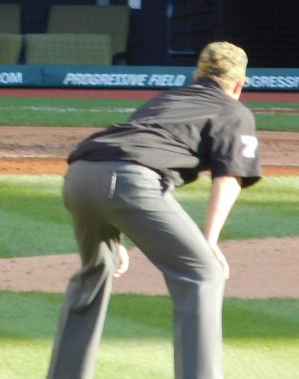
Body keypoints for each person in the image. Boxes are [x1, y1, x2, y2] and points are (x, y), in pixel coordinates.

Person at [46, 41, 261, 379]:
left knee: (95, 272)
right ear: (239, 84)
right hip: (130, 181)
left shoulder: (169, 98)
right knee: (203, 273)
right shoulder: (235, 111)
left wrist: (116, 232)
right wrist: (211, 241)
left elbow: (126, 150)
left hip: (79, 174)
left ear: (196, 75)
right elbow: (229, 177)